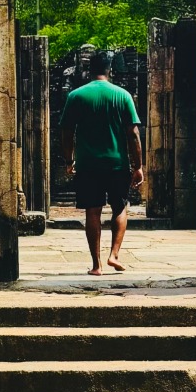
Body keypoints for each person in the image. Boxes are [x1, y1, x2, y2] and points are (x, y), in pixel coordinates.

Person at [59, 50, 143, 275]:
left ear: (89, 70)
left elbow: (67, 132)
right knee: (120, 207)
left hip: (88, 165)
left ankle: (96, 265)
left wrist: (69, 160)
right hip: (117, 163)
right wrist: (138, 166)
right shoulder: (122, 95)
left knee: (92, 211)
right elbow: (133, 134)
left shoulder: (76, 96)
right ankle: (114, 255)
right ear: (110, 70)